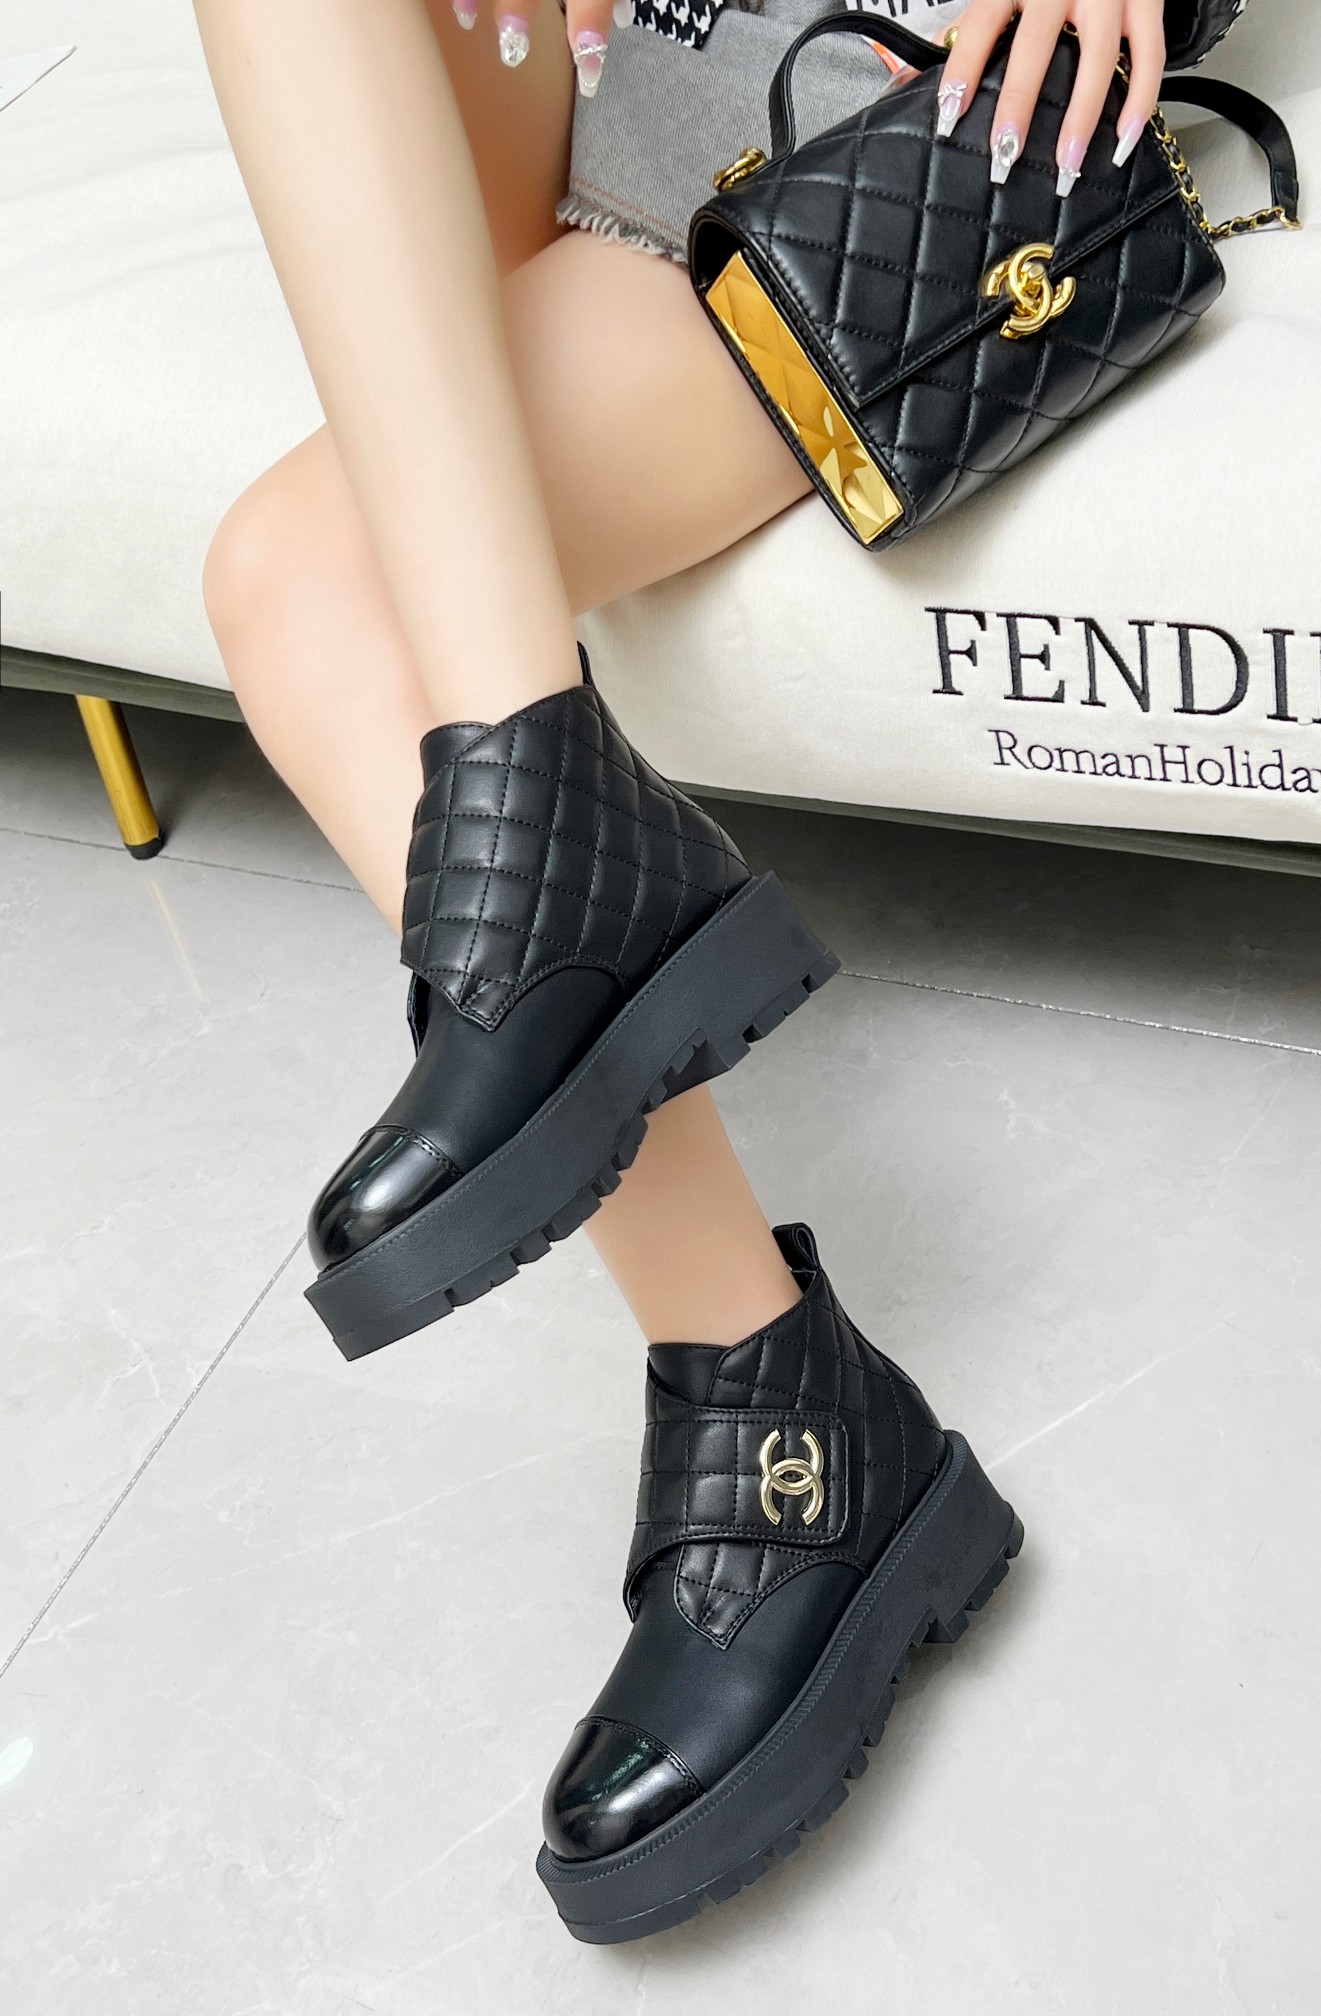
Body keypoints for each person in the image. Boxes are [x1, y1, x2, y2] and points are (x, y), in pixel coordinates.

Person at [191, 0, 1163, 1941]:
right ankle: (547, 817)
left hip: (866, 128)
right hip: (607, 77)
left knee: (297, 585)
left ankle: (773, 1392)